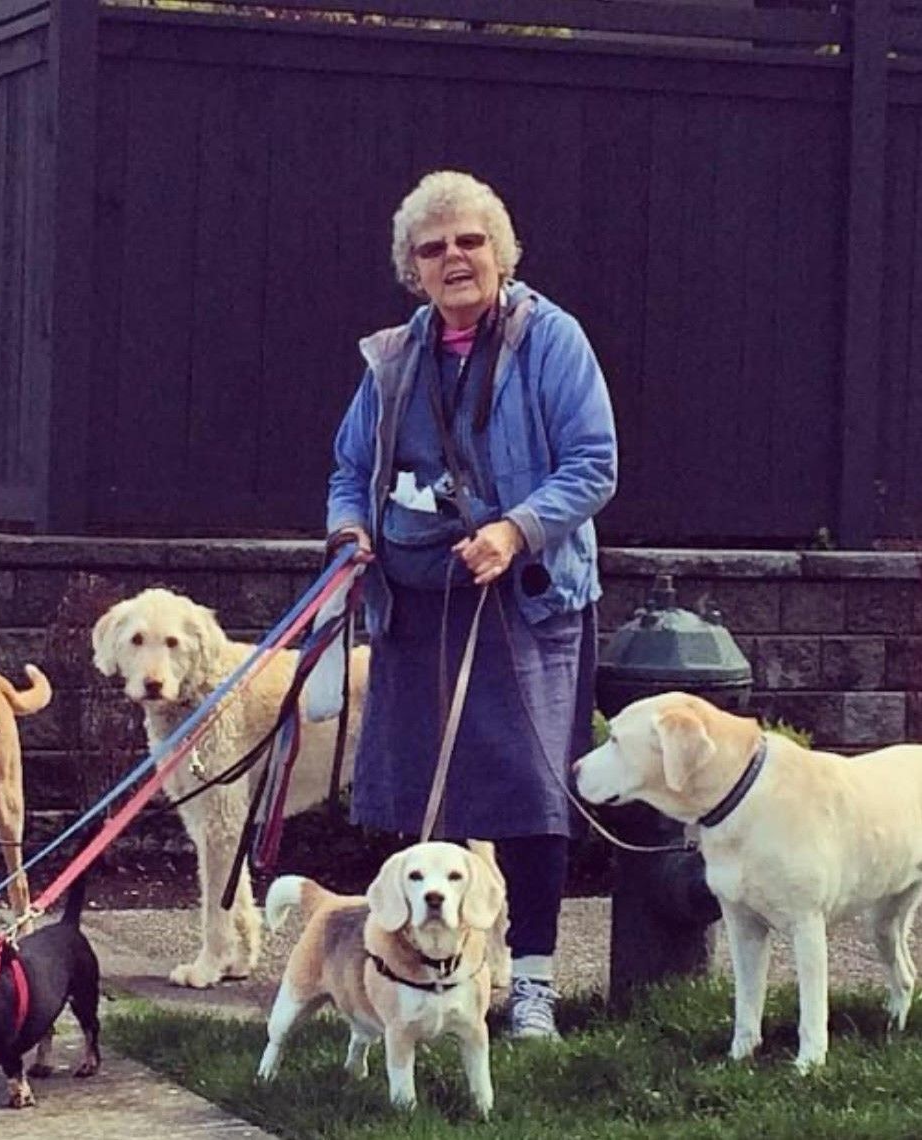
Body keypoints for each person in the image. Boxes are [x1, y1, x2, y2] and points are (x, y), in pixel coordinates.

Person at [325, 170, 617, 1039]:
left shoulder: (552, 339)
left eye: (469, 240)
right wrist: (350, 531)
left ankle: (531, 985)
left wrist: (515, 531)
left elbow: (593, 464)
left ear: (501, 251)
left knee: (528, 794)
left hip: (522, 603)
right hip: (416, 605)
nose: (453, 257)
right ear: (411, 269)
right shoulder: (393, 356)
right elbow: (350, 469)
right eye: (432, 248)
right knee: (428, 799)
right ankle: (428, 983)